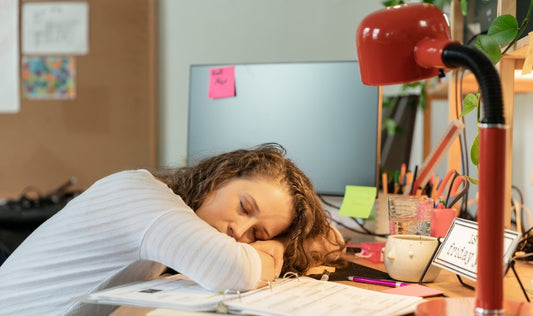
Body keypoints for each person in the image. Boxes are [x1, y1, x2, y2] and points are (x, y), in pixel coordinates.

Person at [0, 143, 344, 315]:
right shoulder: (141, 196)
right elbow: (233, 267)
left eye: (258, 234)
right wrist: (277, 247)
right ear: (220, 178)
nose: (240, 231)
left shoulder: (169, 217)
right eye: (244, 208)